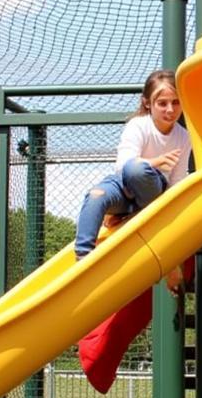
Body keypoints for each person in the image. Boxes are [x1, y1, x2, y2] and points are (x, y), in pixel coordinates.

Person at [74, 69, 192, 259]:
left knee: (138, 170)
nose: (170, 109)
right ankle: (83, 256)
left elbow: (176, 181)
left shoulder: (183, 137)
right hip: (123, 185)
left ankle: (136, 211)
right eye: (162, 104)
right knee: (96, 195)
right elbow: (123, 165)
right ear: (148, 103)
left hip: (152, 191)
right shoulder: (138, 126)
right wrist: (156, 162)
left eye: (176, 102)